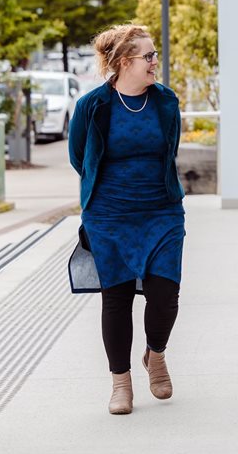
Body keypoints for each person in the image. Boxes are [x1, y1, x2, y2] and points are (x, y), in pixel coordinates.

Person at [68, 24, 185, 415]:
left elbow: (170, 150)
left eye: (154, 55)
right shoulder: (92, 106)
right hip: (110, 215)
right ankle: (121, 383)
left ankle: (156, 353)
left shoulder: (166, 102)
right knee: (116, 298)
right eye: (148, 56)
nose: (155, 62)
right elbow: (79, 158)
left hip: (162, 210)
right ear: (123, 62)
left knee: (165, 294)